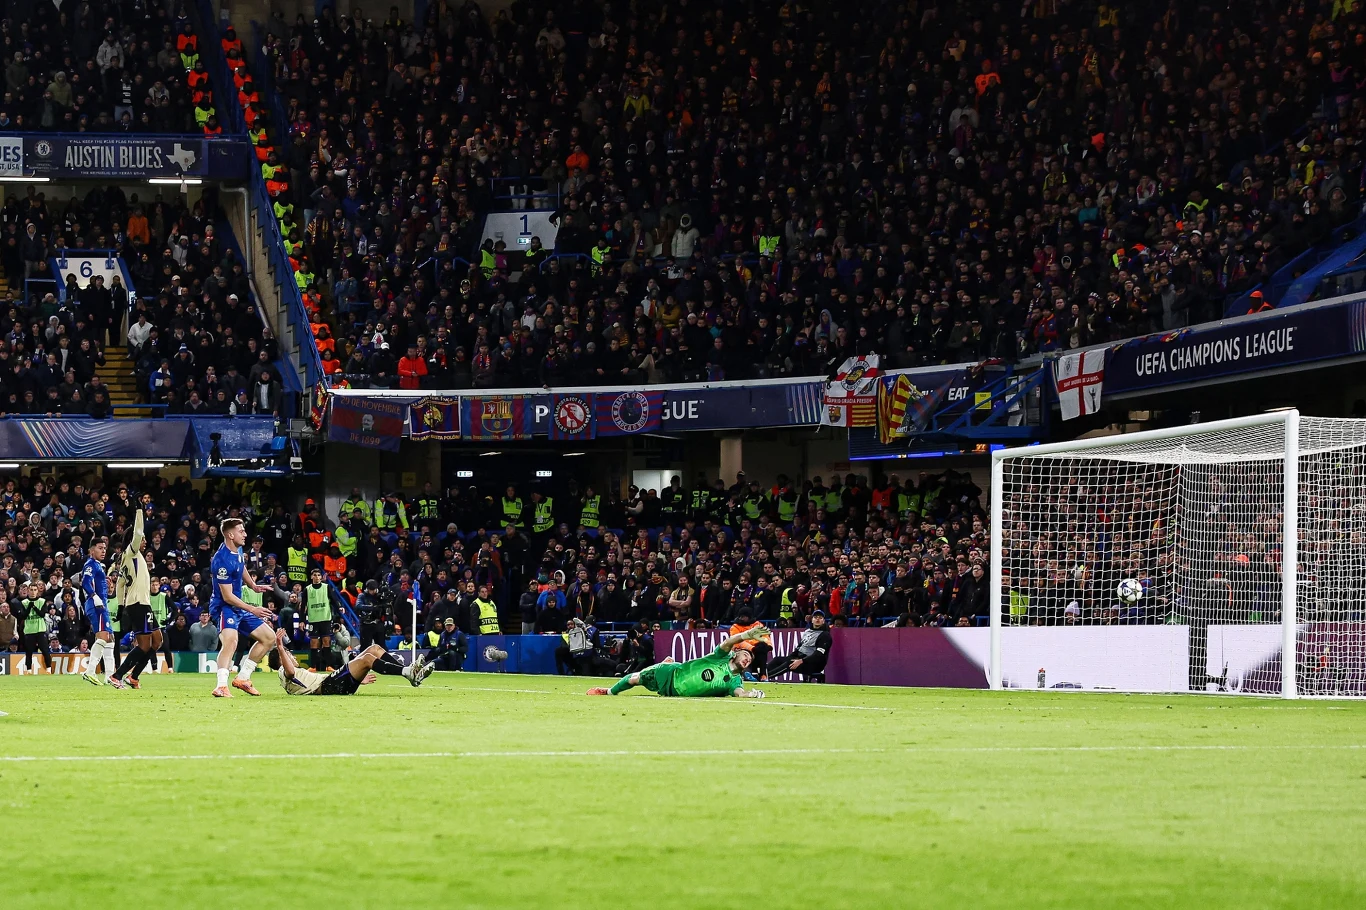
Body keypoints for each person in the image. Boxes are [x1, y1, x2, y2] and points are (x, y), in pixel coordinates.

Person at [587, 625, 770, 698]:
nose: (747, 659)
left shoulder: (735, 680)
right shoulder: (720, 656)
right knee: (635, 679)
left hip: (674, 693)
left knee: (639, 679)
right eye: (746, 655)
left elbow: (738, 692)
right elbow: (729, 641)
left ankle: (668, 661)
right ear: (736, 654)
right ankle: (609, 692)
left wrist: (751, 695)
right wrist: (746, 635)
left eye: (750, 660)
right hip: (671, 674)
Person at [209, 518, 278, 697]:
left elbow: (241, 567)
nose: (245, 534)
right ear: (230, 535)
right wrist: (252, 609)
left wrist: (252, 585)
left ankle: (243, 678)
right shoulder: (221, 560)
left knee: (269, 638)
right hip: (224, 607)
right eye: (241, 531)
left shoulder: (238, 549)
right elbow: (227, 596)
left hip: (239, 606)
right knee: (231, 642)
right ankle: (221, 686)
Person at [275, 633, 433, 695]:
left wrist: (355, 674)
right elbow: (290, 672)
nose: (293, 656)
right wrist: (280, 647)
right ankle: (409, 672)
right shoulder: (283, 671)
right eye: (289, 655)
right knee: (368, 658)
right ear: (282, 659)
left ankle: (409, 673)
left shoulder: (293, 672)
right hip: (328, 686)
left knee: (374, 649)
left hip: (332, 681)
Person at [109, 510, 157, 689]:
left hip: (142, 604)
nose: (144, 541)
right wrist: (138, 510)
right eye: (143, 539)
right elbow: (137, 532)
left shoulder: (127, 560)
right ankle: (117, 675)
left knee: (157, 640)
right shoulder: (132, 552)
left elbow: (121, 585)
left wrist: (121, 607)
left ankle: (134, 677)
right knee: (144, 645)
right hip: (138, 604)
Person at [80, 536, 114, 685]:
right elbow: (85, 582)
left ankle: (109, 676)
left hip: (102, 605)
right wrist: (95, 597)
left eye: (105, 548)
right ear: (91, 550)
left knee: (110, 640)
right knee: (102, 637)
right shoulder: (90, 564)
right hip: (96, 605)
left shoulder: (99, 565)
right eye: (100, 548)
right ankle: (90, 671)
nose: (103, 551)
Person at [767, 610, 833, 681]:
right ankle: (762, 674)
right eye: (815, 617)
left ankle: (765, 678)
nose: (817, 619)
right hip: (801, 658)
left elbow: (818, 655)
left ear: (823, 621)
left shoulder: (825, 635)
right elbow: (799, 648)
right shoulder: (807, 632)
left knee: (789, 664)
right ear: (812, 620)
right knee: (778, 659)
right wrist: (789, 658)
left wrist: (802, 660)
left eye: (820, 618)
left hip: (813, 664)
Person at [303, 567, 339, 670]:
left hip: (325, 618)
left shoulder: (326, 587)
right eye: (315, 575)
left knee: (326, 641)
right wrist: (302, 620)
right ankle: (313, 666)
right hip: (313, 620)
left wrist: (339, 607)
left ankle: (329, 666)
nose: (317, 577)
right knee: (313, 643)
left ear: (321, 577)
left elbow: (333, 599)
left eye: (318, 575)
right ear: (311, 577)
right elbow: (303, 606)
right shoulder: (307, 589)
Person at [16, 582, 51, 673]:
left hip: (40, 630)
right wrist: (29, 608)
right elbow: (23, 616)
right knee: (29, 652)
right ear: (28, 591)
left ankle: (49, 669)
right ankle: (28, 670)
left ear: (37, 591)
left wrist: (34, 608)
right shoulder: (24, 602)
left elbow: (42, 614)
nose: (33, 592)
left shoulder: (42, 601)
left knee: (45, 650)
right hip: (29, 631)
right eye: (31, 590)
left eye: (35, 590)